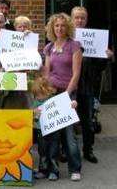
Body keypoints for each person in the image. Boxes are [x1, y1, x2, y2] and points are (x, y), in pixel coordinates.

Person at [71, 6, 114, 163]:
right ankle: (65, 150)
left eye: (82, 17)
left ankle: (88, 150)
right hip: (68, 86)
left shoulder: (94, 38)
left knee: (87, 122)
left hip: (86, 86)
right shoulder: (66, 36)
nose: (80, 20)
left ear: (86, 19)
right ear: (72, 18)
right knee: (66, 120)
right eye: (77, 17)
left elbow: (100, 66)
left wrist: (106, 57)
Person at [43, 13, 82, 181]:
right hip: (51, 93)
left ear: (68, 28)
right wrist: (44, 90)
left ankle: (75, 168)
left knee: (69, 134)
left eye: (62, 25)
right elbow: (46, 72)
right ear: (52, 28)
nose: (59, 28)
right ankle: (53, 169)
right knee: (52, 134)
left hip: (68, 92)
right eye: (56, 25)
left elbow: (76, 74)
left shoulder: (74, 46)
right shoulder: (49, 47)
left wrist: (67, 94)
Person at [30, 76, 78, 181]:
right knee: (42, 151)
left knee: (53, 152)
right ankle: (43, 170)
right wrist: (34, 113)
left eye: (39, 95)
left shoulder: (54, 100)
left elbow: (66, 106)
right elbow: (31, 115)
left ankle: (54, 171)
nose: (38, 97)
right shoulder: (35, 102)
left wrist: (73, 104)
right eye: (36, 95)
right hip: (40, 131)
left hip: (54, 131)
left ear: (46, 92)